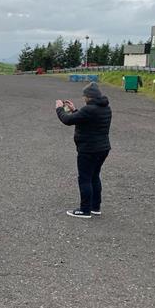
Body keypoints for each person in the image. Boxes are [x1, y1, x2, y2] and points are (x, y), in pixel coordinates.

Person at [55, 82, 112, 218]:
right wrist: (74, 109)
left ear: (89, 97)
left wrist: (59, 109)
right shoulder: (105, 108)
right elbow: (84, 119)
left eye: (84, 96)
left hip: (89, 149)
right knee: (94, 177)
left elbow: (67, 120)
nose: (83, 98)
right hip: (103, 148)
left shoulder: (89, 109)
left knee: (85, 178)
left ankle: (84, 210)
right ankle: (95, 207)